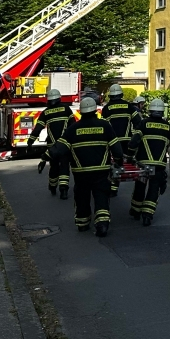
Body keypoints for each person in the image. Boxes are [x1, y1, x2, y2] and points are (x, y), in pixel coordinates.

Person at [66, 94, 123, 236]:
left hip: (80, 172)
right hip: (101, 171)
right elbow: (117, 149)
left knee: (82, 196)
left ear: (81, 112)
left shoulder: (73, 129)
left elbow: (60, 148)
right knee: (101, 195)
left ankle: (83, 224)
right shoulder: (105, 126)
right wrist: (118, 161)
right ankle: (102, 224)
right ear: (95, 111)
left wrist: (46, 157)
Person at [128, 98, 170, 226]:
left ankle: (135, 211)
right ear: (162, 111)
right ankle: (147, 215)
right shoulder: (167, 126)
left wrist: (129, 155)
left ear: (150, 111)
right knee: (154, 189)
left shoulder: (143, 123)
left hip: (143, 164)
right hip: (159, 166)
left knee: (140, 187)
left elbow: (133, 142)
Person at [34, 88, 74, 198]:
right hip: (65, 145)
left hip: (52, 146)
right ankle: (63, 190)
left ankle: (52, 187)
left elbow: (38, 128)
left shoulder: (46, 112)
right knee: (65, 166)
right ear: (59, 98)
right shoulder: (66, 109)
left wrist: (30, 141)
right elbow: (72, 125)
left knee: (54, 167)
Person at [101, 84, 134, 196]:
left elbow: (104, 126)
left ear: (110, 96)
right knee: (120, 163)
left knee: (111, 163)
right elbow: (138, 122)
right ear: (121, 94)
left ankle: (110, 186)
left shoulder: (106, 108)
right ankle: (114, 187)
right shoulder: (129, 106)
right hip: (126, 141)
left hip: (112, 141)